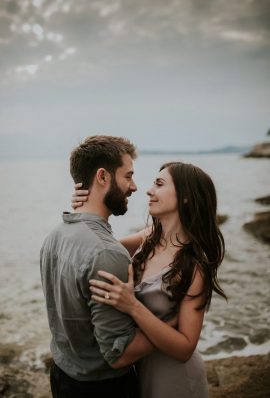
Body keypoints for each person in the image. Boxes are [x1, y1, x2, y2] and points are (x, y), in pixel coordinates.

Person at [72, 161, 227, 398]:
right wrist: (84, 209)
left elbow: (185, 348)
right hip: (137, 366)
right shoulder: (149, 238)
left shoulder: (194, 267)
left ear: (186, 197)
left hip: (172, 378)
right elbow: (98, 249)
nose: (148, 190)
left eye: (159, 184)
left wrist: (132, 306)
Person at [40, 135, 161, 398]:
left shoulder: (55, 236)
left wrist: (153, 233)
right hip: (103, 389)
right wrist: (173, 325)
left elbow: (95, 255)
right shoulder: (106, 252)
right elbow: (119, 356)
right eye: (128, 176)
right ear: (103, 177)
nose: (135, 187)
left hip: (62, 375)